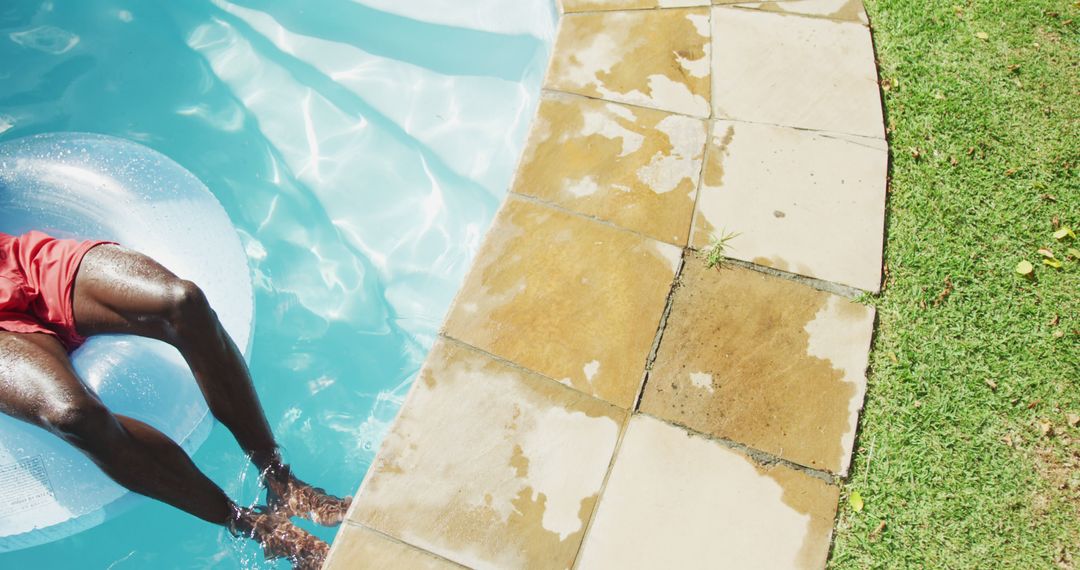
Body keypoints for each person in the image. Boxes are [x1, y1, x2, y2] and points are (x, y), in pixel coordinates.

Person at [0, 230, 350, 569]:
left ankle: (281, 480)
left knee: (184, 303)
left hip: (18, 265)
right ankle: (250, 524)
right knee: (73, 415)